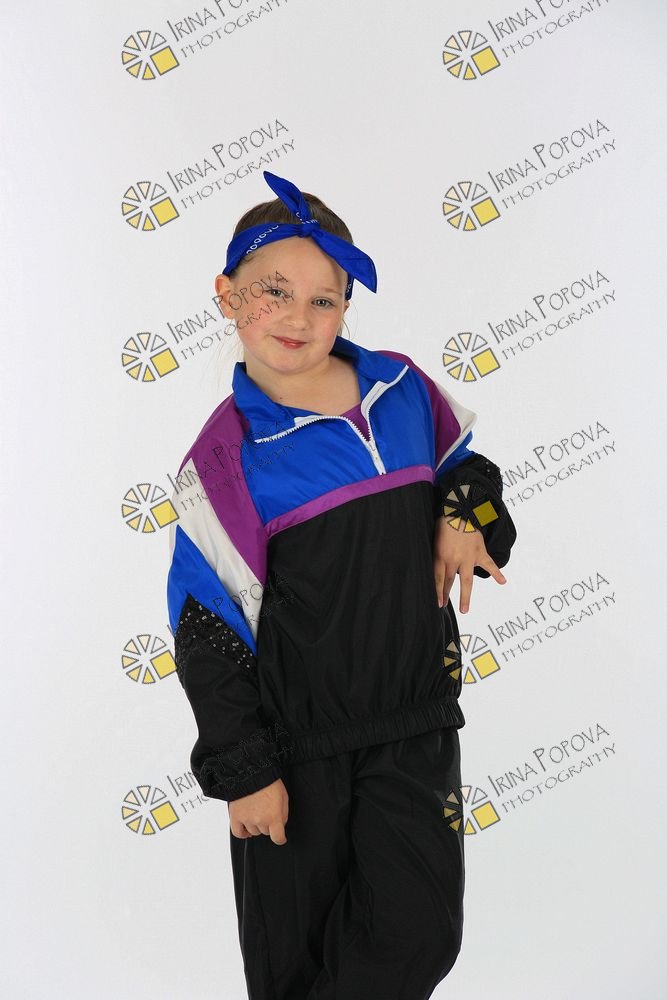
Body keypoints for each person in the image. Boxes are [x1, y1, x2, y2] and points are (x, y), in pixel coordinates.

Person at [166, 170, 517, 1000]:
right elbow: (206, 630)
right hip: (293, 752)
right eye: (273, 292)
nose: (298, 318)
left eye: (323, 300)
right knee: (295, 963)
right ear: (227, 295)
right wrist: (245, 770)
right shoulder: (222, 463)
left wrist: (464, 514)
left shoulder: (402, 392)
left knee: (417, 934)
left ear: (346, 308)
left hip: (413, 725)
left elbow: (470, 473)